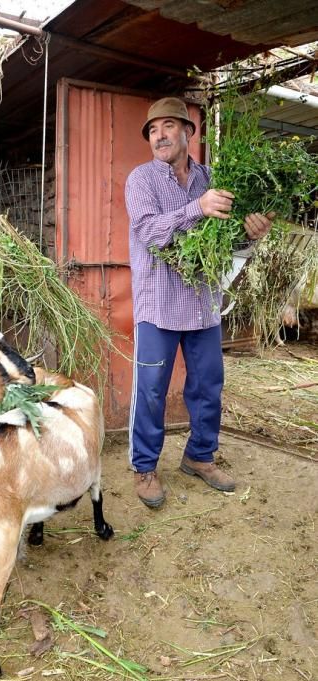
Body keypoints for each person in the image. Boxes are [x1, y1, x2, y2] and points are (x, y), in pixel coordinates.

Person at [125, 97, 274, 508]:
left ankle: (199, 456)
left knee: (208, 386)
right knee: (152, 391)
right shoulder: (142, 180)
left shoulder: (212, 178)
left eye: (168, 126)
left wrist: (251, 233)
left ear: (189, 132)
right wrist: (197, 208)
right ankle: (144, 467)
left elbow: (229, 243)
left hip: (202, 304)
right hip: (158, 305)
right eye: (153, 130)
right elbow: (150, 231)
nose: (159, 136)